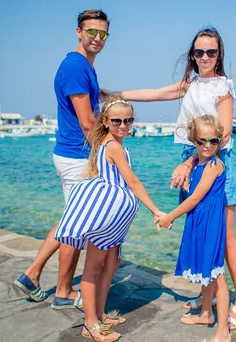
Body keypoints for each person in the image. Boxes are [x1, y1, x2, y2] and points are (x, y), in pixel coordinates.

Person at [112, 27, 236, 329]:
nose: (204, 57)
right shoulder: (190, 83)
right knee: (202, 232)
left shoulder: (223, 88)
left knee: (224, 238)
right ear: (192, 55)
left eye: (211, 52)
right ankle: (207, 296)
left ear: (219, 54)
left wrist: (190, 162)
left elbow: (222, 135)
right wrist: (114, 95)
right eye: (199, 52)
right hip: (194, 160)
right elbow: (154, 94)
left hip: (214, 163)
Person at [13, 9, 110, 309]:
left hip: (73, 155)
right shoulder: (75, 67)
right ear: (79, 32)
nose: (97, 38)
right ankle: (64, 291)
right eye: (91, 32)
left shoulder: (84, 68)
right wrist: (112, 147)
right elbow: (85, 122)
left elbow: (87, 109)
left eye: (102, 34)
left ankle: (33, 275)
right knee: (76, 226)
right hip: (77, 157)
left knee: (71, 219)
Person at [55, 97, 163, 341]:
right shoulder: (112, 146)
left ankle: (100, 313)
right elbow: (132, 181)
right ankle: (89, 323)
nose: (123, 125)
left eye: (128, 120)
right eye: (117, 121)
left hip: (114, 217)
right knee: (93, 268)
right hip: (105, 216)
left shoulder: (112, 143)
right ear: (105, 121)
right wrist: (155, 210)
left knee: (112, 263)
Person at [157, 115, 230, 342]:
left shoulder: (215, 165)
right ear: (193, 141)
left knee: (217, 277)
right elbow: (193, 194)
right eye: (201, 141)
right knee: (205, 272)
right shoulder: (197, 164)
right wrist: (185, 185)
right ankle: (206, 313)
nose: (207, 146)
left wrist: (169, 217)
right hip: (199, 222)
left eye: (213, 141)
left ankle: (223, 332)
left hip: (210, 224)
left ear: (220, 141)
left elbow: (195, 200)